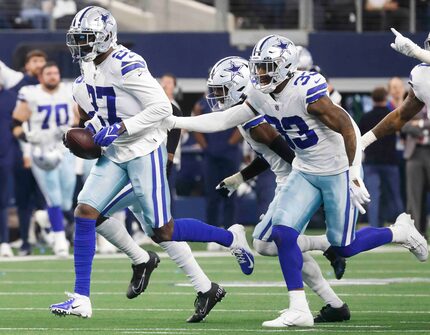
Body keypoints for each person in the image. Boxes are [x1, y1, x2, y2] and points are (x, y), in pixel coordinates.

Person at [163, 34, 428, 327]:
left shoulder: (306, 90)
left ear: (285, 66)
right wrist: (175, 122)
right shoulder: (260, 95)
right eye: (258, 67)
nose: (260, 74)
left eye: (266, 67)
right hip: (305, 167)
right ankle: (299, 309)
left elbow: (345, 127)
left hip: (338, 167)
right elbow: (222, 120)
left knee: (344, 247)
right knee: (282, 233)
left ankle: (400, 232)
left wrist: (354, 172)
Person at [50, 6, 253, 318]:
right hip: (115, 154)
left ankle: (229, 238)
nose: (79, 45)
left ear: (105, 37)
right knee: (86, 210)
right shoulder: (86, 72)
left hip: (145, 151)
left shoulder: (126, 63)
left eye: (86, 38)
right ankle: (82, 297)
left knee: (163, 231)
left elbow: (162, 108)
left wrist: (122, 128)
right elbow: (94, 114)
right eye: (77, 38)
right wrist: (85, 133)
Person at [207, 55, 351, 322]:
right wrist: (239, 178)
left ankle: (330, 250)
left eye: (221, 91)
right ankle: (334, 304)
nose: (217, 96)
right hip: (289, 178)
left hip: (294, 180)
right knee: (282, 245)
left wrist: (307, 183)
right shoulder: (253, 111)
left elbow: (286, 151)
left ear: (238, 87)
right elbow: (270, 155)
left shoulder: (253, 118)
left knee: (265, 244)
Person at [12, 62, 77, 257]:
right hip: (41, 151)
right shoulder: (30, 93)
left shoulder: (68, 91)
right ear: (41, 77)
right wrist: (28, 138)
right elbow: (16, 124)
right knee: (53, 197)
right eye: (48, 73)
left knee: (66, 201)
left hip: (65, 150)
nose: (53, 76)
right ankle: (60, 240)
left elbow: (78, 118)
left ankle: (45, 218)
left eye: (55, 72)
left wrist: (72, 132)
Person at [2, 50, 48, 256]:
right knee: (21, 199)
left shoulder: (54, 90)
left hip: (45, 150)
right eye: (34, 60)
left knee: (49, 200)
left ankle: (55, 235)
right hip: (22, 149)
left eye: (42, 61)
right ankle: (25, 241)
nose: (39, 65)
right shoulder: (18, 85)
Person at [359, 86, 404, 227]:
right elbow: (401, 135)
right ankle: (403, 227)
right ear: (386, 98)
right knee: (395, 196)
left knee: (373, 197)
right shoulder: (392, 115)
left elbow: (358, 138)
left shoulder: (365, 117)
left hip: (372, 163)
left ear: (372, 99)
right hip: (390, 162)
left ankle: (373, 228)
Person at [0, 82, 17, 257]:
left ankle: (4, 242)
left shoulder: (11, 97)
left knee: (3, 201)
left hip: (5, 156)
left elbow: (18, 127)